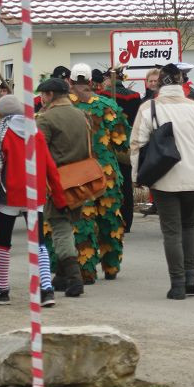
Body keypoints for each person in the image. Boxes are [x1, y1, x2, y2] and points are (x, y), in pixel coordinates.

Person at [131, 63, 194, 299]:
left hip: (164, 179)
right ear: (182, 83)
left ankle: (178, 283)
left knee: (171, 232)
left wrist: (136, 178)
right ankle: (191, 277)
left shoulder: (148, 108)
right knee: (189, 227)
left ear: (159, 84)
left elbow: (137, 146)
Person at [0, 95, 66, 307]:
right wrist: (59, 197)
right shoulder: (35, 130)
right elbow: (50, 166)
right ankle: (46, 289)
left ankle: (2, 289)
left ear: (0, 113)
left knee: (4, 243)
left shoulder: (0, 132)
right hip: (35, 193)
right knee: (38, 243)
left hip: (8, 194)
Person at [68, 63, 130, 282]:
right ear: (91, 82)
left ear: (71, 81)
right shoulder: (107, 105)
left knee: (83, 220)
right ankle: (111, 266)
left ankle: (86, 269)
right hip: (106, 173)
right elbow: (122, 142)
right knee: (110, 218)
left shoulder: (63, 107)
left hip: (77, 173)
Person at [36, 78, 90, 297]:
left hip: (57, 181)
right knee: (67, 225)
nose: (41, 99)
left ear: (50, 95)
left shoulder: (46, 119)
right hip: (80, 179)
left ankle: (75, 278)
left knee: (60, 228)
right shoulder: (81, 114)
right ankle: (61, 276)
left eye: (43, 94)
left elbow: (38, 153)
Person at [97, 68, 142, 233]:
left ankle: (115, 218)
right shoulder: (135, 96)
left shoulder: (105, 97)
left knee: (112, 182)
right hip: (129, 141)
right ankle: (127, 221)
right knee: (127, 185)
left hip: (111, 143)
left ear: (109, 79)